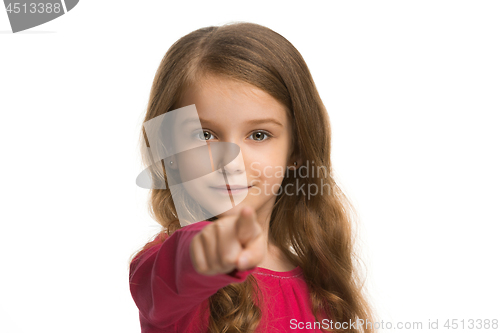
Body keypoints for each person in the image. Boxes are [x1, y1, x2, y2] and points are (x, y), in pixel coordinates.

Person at [129, 22, 376, 333]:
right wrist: (210, 248)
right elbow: (177, 268)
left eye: (259, 135)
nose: (231, 160)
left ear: (296, 150)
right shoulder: (162, 270)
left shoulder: (320, 287)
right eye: (204, 134)